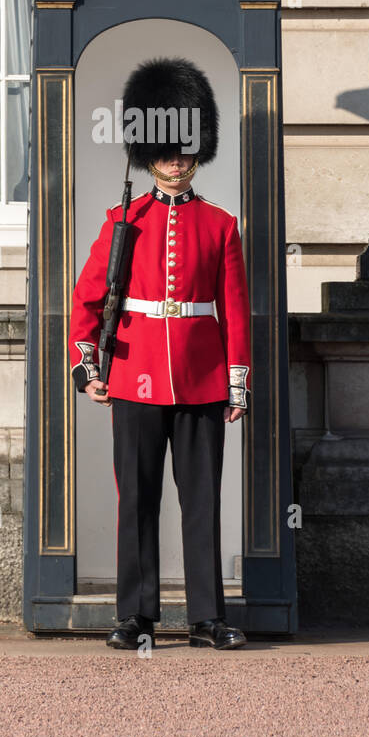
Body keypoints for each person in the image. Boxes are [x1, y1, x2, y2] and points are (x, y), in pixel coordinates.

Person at [68, 56, 252, 651]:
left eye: (185, 151)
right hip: (135, 373)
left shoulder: (220, 226)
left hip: (201, 379)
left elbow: (235, 311)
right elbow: (89, 299)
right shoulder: (124, 221)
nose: (177, 161)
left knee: (202, 502)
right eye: (168, 152)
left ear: (198, 152)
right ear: (151, 155)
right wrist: (86, 366)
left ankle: (207, 617)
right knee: (138, 502)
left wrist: (238, 380)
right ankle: (137, 617)